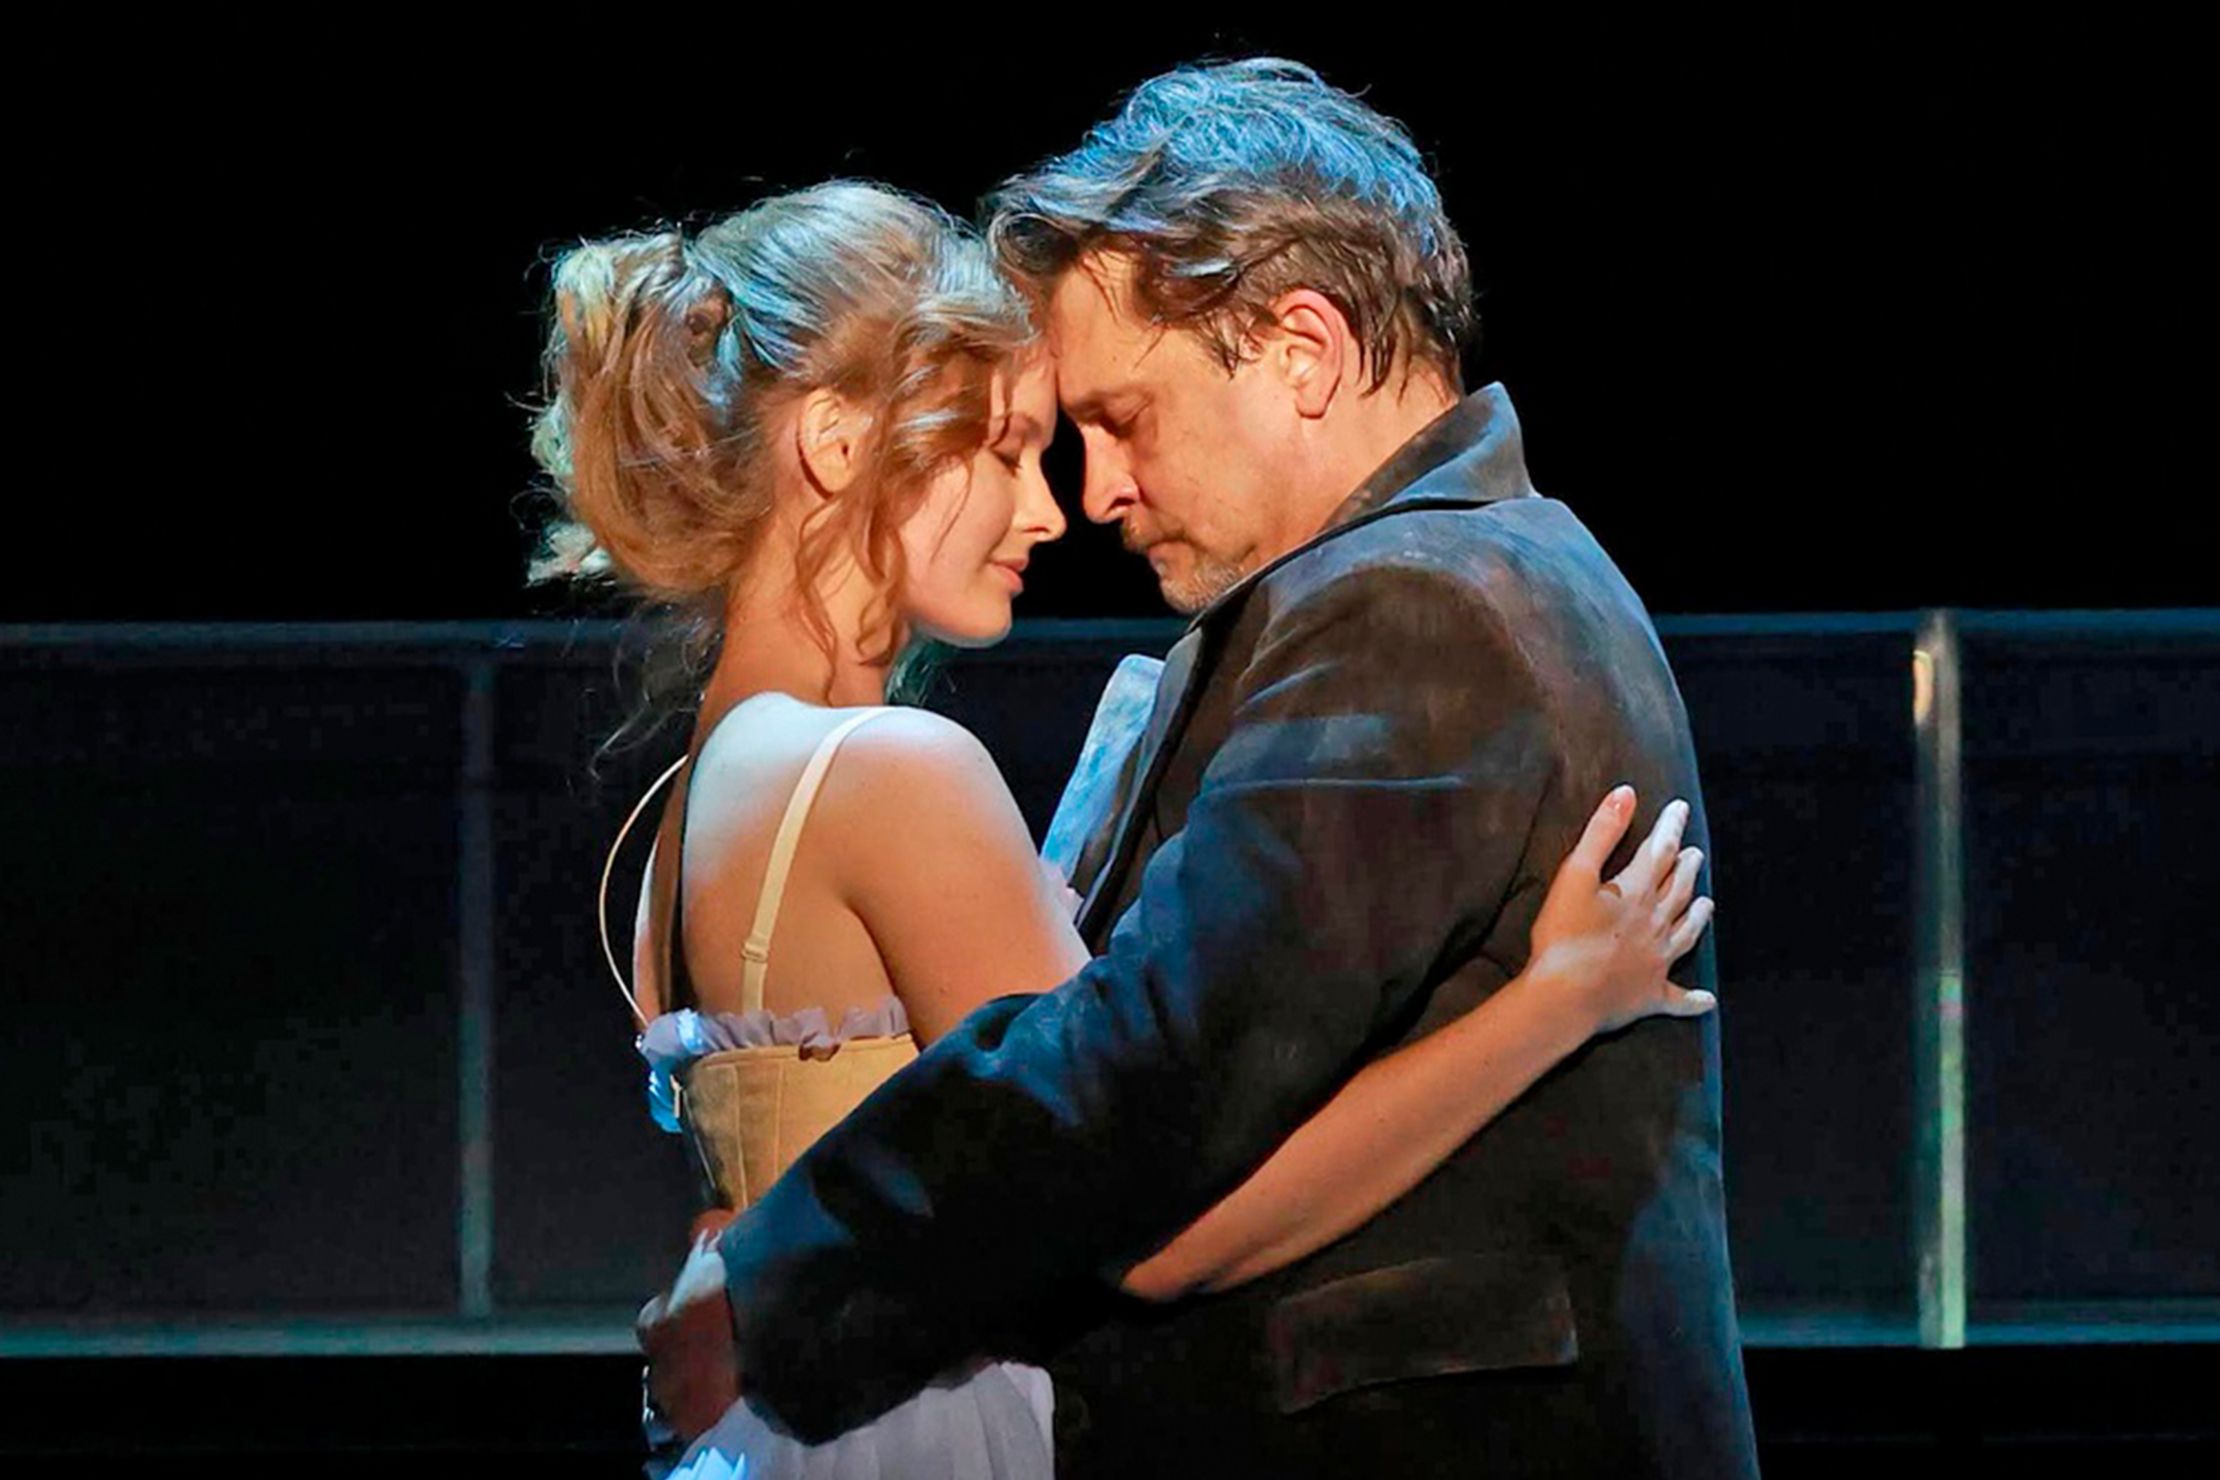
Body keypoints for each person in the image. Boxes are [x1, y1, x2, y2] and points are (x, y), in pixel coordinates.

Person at [536, 174, 1726, 1478]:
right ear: (834, 443)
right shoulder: (893, 773)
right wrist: (1552, 1004)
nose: (1057, 509)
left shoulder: (688, 803)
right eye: (1005, 448)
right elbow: (1163, 1218)